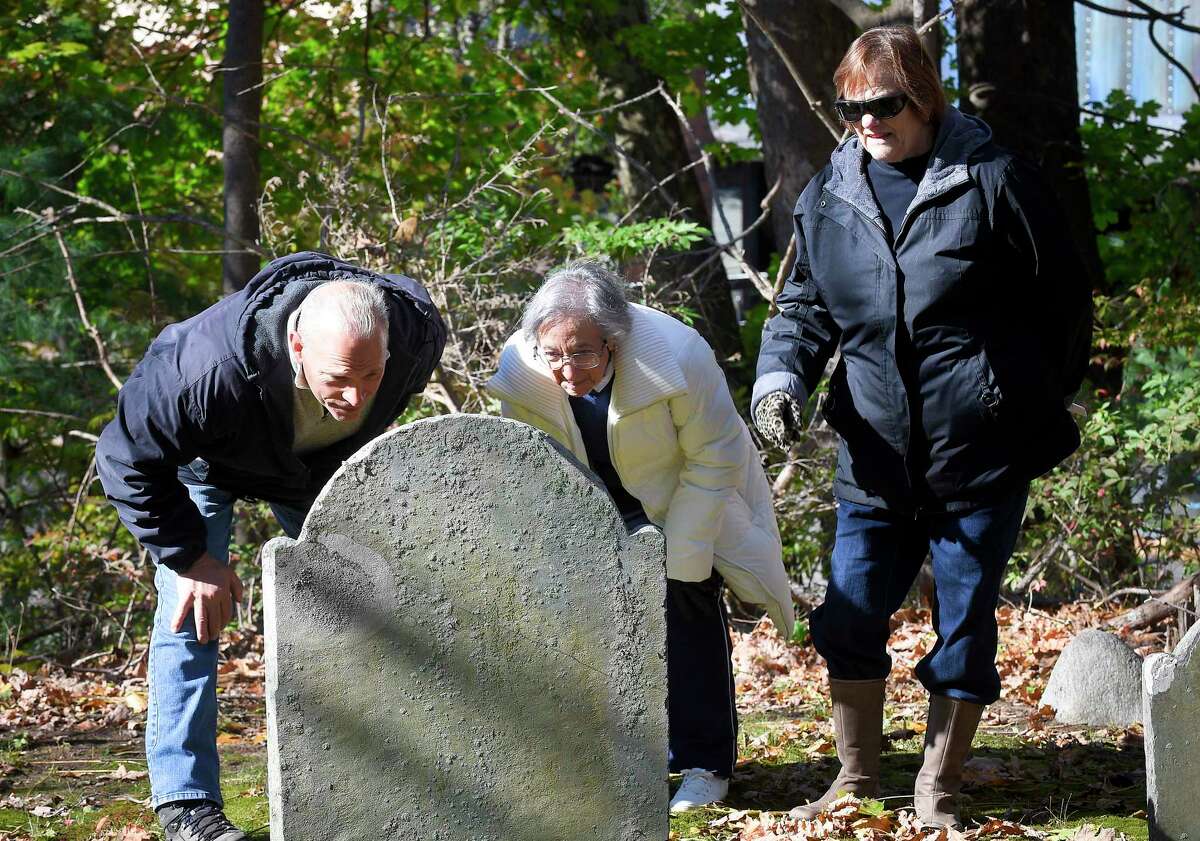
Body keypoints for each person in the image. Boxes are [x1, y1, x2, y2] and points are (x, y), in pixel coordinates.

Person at [751, 26, 1091, 828]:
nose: (867, 121)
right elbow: (803, 308)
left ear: (925, 99)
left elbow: (1064, 302)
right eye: (852, 108)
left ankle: (938, 790)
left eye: (885, 104)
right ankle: (857, 778)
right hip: (874, 455)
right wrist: (778, 381)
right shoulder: (829, 195)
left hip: (979, 456)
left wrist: (1022, 403)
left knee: (963, 628)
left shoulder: (994, 179)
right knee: (849, 614)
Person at [96, 251, 446, 841]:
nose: (356, 397)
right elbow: (125, 459)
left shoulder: (416, 337)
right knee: (191, 613)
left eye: (371, 377)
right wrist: (191, 559)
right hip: (207, 461)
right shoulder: (201, 372)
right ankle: (188, 805)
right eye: (339, 378)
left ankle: (383, 781)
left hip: (312, 469)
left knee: (374, 593)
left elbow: (376, 396)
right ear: (297, 345)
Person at [487, 261, 795, 813]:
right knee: (587, 628)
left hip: (682, 500)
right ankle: (617, 760)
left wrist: (683, 553)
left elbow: (715, 456)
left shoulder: (676, 354)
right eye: (554, 354)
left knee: (686, 607)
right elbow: (530, 463)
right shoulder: (522, 369)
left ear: (612, 339)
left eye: (582, 353)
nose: (567, 370)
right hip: (590, 509)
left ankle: (705, 765)